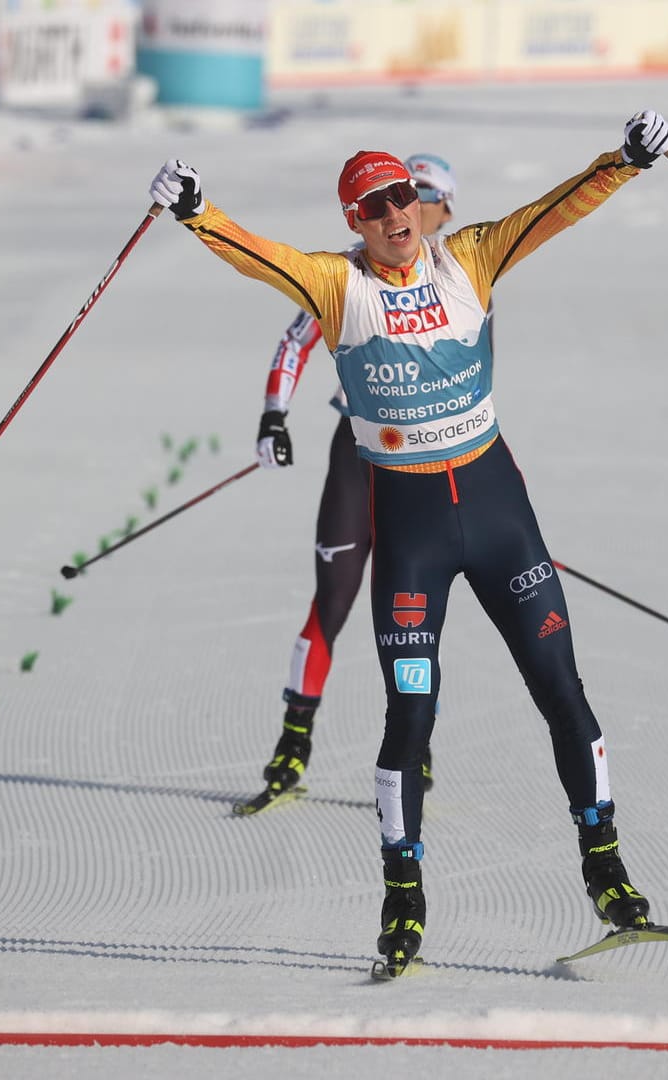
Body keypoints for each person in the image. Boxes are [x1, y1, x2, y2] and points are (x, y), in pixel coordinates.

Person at [148, 110, 668, 971]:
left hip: (500, 515)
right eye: (376, 205)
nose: (397, 214)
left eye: (403, 196)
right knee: (411, 717)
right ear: (354, 221)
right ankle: (403, 899)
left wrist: (626, 160)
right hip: (412, 530)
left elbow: (555, 210)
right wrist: (197, 211)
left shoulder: (468, 257)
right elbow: (256, 253)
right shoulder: (337, 286)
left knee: (563, 692)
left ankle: (607, 867)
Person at [246, 154, 459, 811]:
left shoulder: (460, 276)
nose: (408, 210)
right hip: (356, 452)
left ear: (447, 210)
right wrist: (274, 414)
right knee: (331, 601)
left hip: (425, 466)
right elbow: (295, 340)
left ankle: (413, 747)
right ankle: (292, 743)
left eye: (423, 198)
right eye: (395, 198)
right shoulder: (346, 274)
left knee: (409, 620)